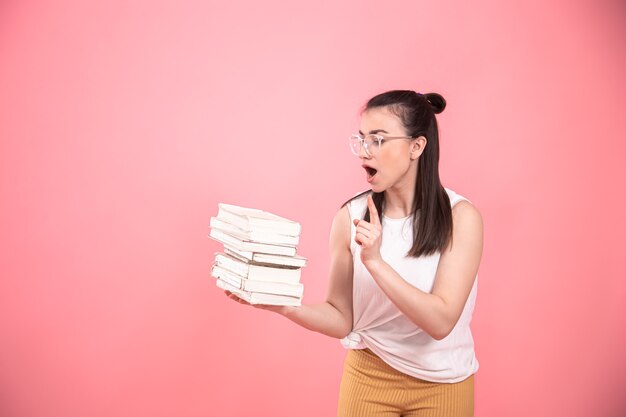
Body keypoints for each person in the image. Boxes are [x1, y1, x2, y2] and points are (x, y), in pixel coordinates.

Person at [224, 90, 483, 417]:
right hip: (368, 378)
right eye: (361, 140)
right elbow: (342, 318)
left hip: (444, 381)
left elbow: (441, 321)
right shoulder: (350, 216)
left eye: (378, 140)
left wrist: (375, 262)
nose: (364, 152)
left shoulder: (460, 217)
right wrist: (285, 307)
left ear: (416, 146)